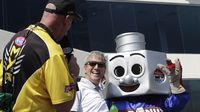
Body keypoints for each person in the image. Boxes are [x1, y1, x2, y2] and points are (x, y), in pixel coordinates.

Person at [1, 0, 81, 111]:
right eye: (72, 22)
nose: (68, 31)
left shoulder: (17, 38)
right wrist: (73, 76)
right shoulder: (52, 51)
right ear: (67, 20)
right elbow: (63, 106)